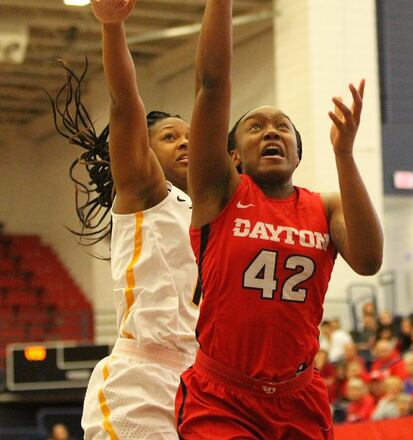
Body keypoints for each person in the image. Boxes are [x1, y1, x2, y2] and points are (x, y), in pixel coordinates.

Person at [174, 1, 383, 438]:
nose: (270, 131)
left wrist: (344, 153)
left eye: (282, 127)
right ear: (232, 156)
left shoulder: (325, 208)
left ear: (298, 152)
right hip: (223, 396)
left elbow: (368, 261)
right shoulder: (219, 193)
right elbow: (212, 85)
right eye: (255, 127)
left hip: (299, 395)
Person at [48, 1, 198, 438]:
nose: (186, 143)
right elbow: (124, 104)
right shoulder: (147, 193)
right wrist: (113, 28)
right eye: (170, 137)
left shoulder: (215, 214)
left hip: (203, 384)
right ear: (143, 152)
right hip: (142, 379)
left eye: (191, 136)